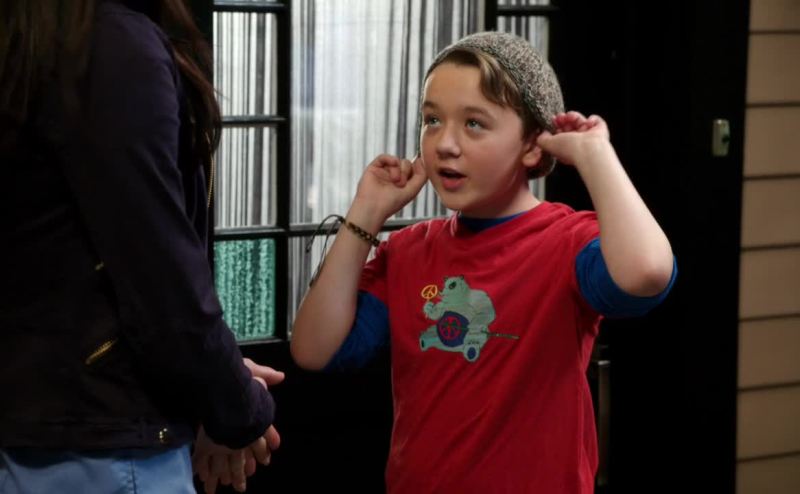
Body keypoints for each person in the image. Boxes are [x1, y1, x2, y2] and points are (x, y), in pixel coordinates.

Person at [291, 31, 677, 493]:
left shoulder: (568, 243)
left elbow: (648, 272)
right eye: (432, 120)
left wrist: (596, 155)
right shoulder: (409, 250)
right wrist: (367, 212)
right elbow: (313, 350)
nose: (445, 144)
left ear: (533, 146)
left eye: (474, 123)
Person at [0, 1, 279, 493]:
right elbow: (161, 280)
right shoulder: (104, 44)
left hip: (40, 429)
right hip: (103, 439)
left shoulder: (39, 36)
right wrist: (236, 403)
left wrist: (220, 385)